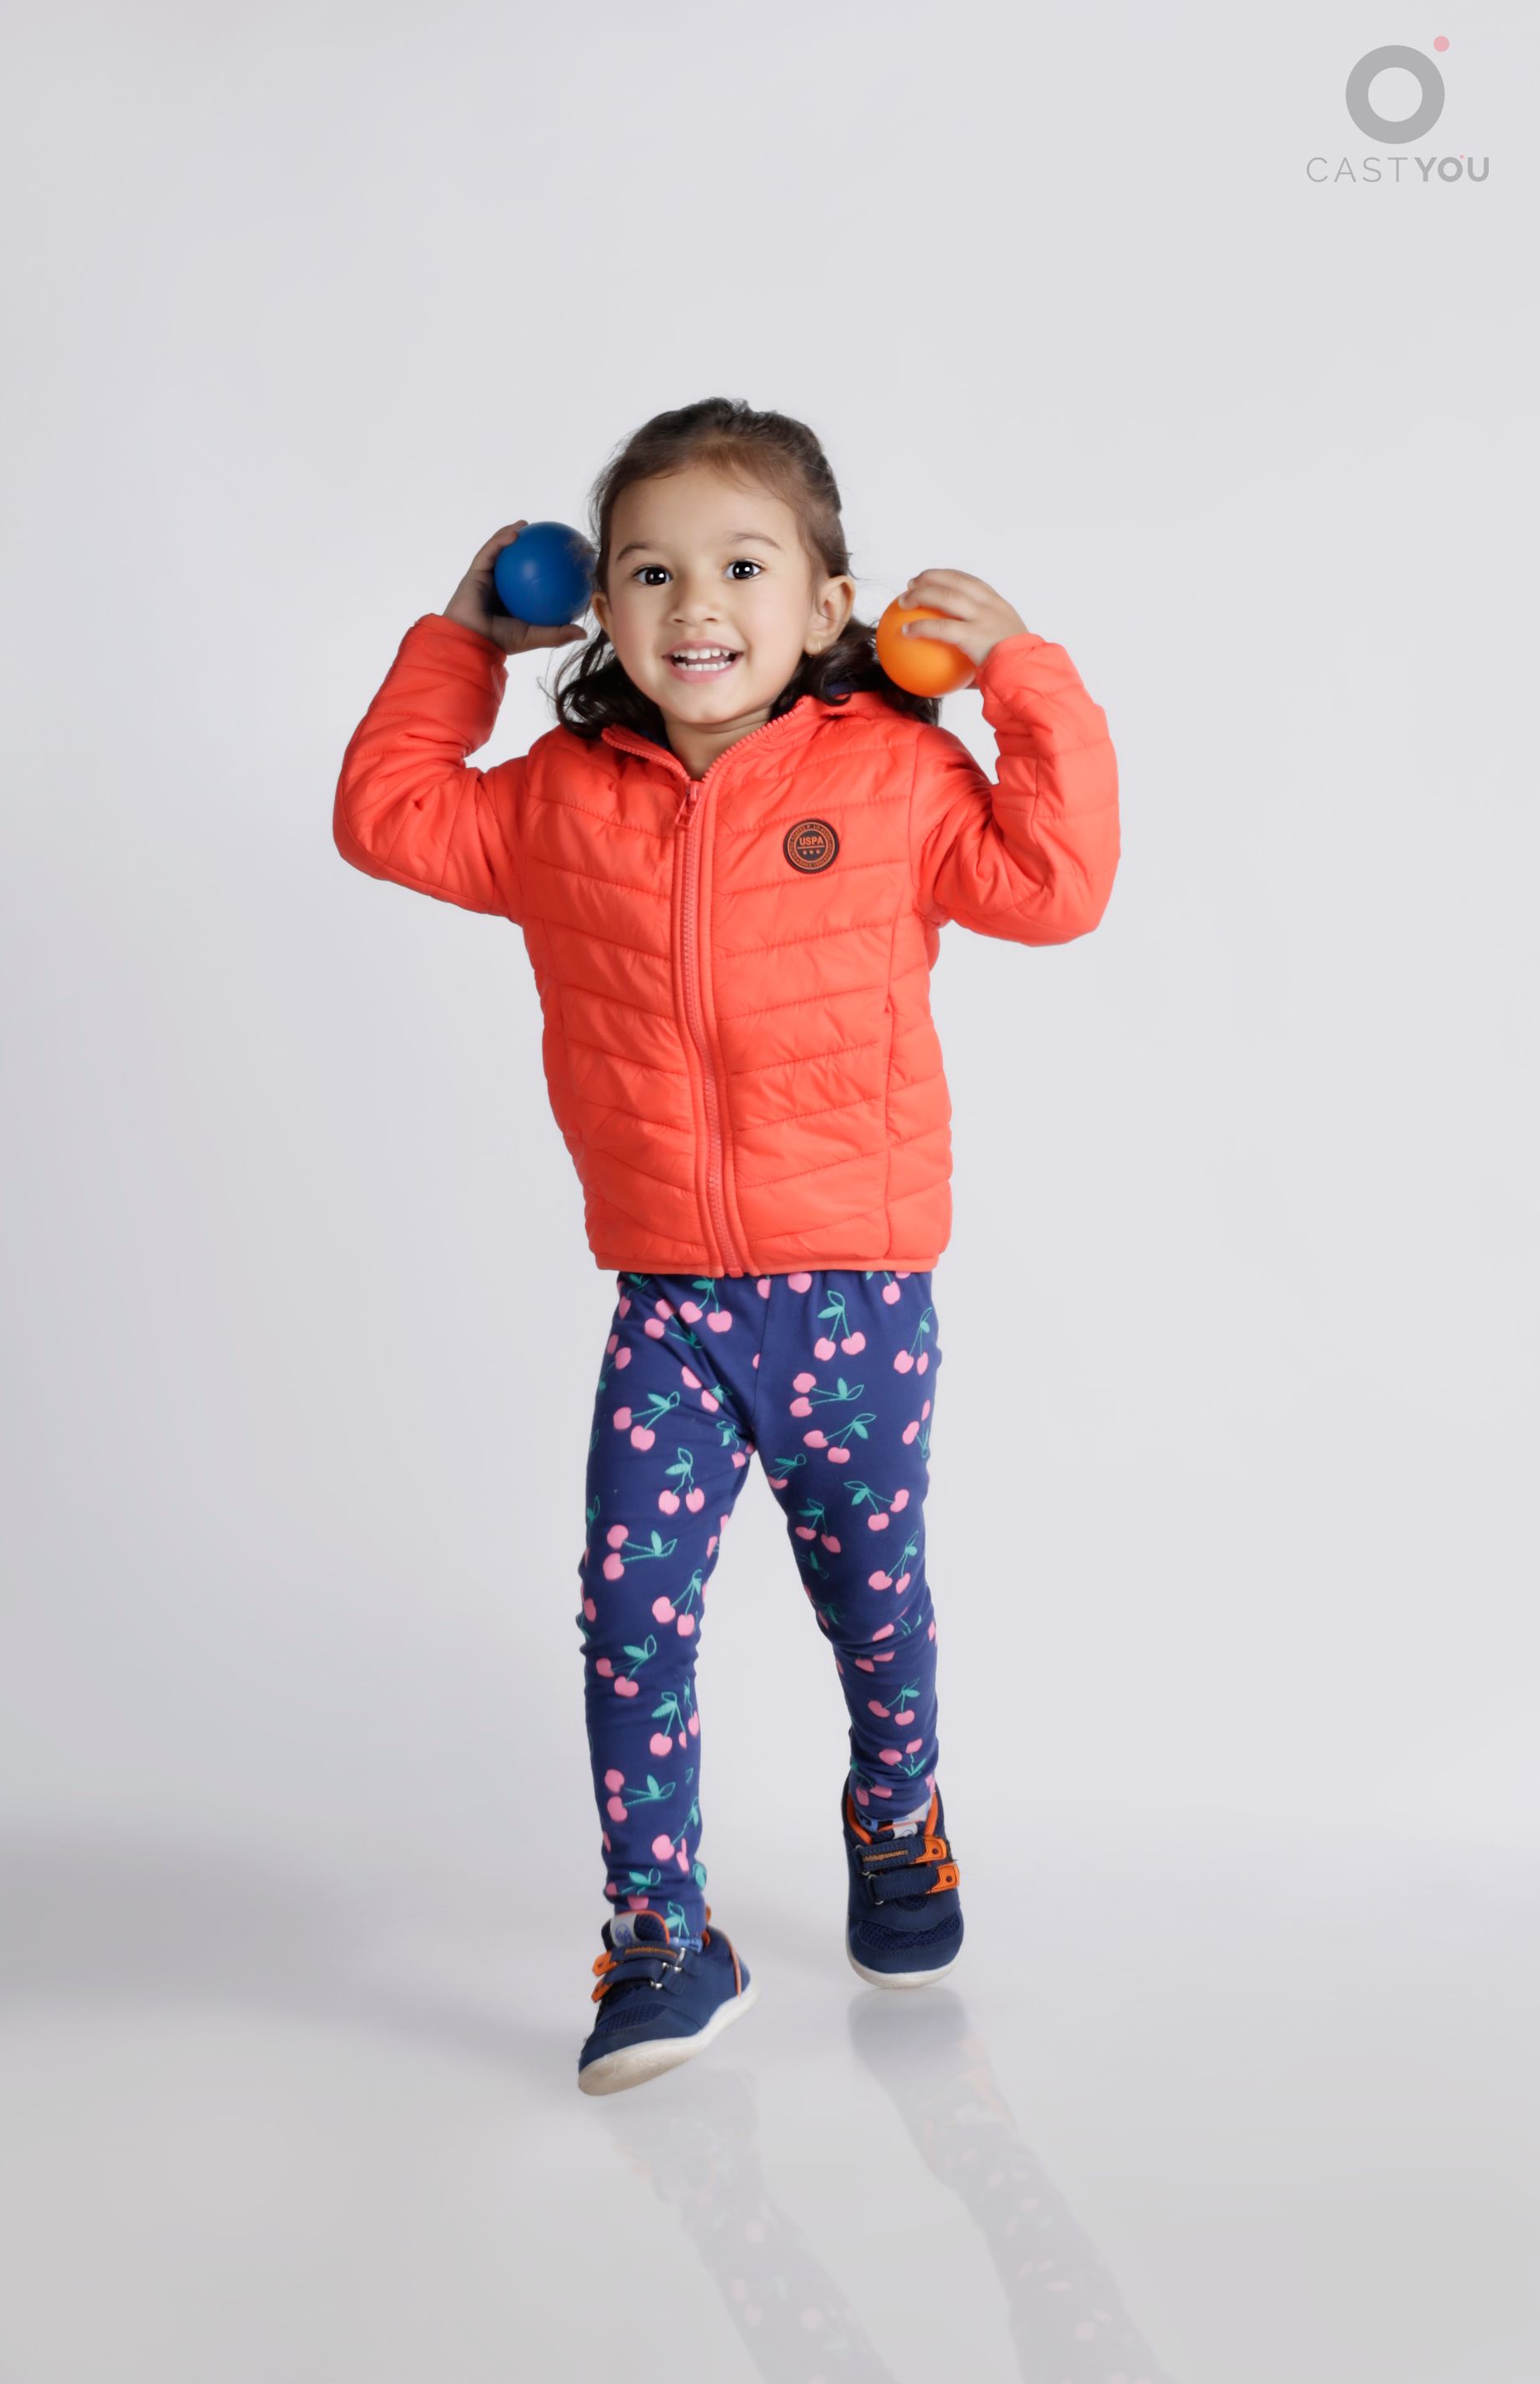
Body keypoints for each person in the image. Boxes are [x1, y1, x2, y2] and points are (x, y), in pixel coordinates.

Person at [332, 397, 1121, 2096]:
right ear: (597, 608)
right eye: (650, 571)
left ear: (830, 605)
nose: (697, 603)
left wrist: (1023, 677)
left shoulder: (897, 777)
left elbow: (1058, 884)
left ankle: (897, 1822)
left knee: (873, 1611)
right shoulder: (558, 801)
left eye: (743, 567)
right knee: (629, 1615)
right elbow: (387, 815)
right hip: (670, 1305)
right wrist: (460, 645)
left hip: (859, 1293)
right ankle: (662, 1938)